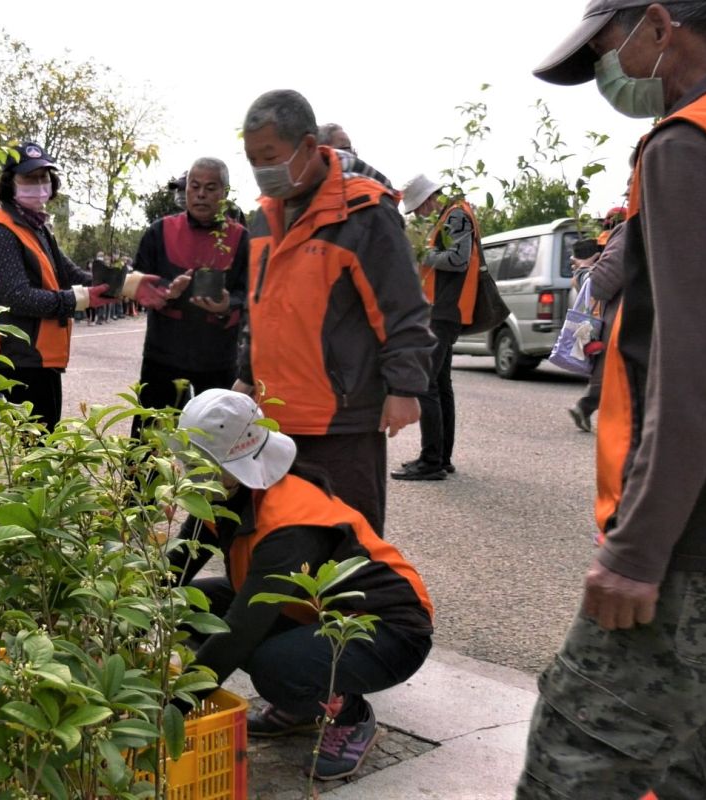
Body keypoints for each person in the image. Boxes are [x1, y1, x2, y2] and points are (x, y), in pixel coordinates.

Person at [519, 2, 706, 797]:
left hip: (703, 542)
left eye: (608, 44)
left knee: (573, 763)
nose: (610, 67)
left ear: (661, 25)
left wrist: (637, 550)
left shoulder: (694, 144)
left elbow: (695, 363)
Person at [173, 388, 433, 781]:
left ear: (227, 464)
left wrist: (173, 710)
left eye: (196, 463)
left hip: (388, 630)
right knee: (191, 604)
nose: (186, 471)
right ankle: (301, 704)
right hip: (315, 612)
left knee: (274, 667)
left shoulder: (288, 524)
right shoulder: (226, 491)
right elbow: (173, 571)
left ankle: (349, 714)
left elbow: (241, 631)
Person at [235, 90, 434, 536]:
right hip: (274, 414)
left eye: (269, 156)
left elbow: (401, 307)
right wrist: (246, 374)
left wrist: (404, 387)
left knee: (347, 543)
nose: (261, 169)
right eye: (252, 159)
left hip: (341, 417)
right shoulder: (264, 217)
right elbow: (259, 304)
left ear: (308, 147)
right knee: (278, 539)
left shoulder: (364, 211)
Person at [0, 142, 168, 429]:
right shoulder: (0, 230)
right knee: (36, 449)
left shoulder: (37, 226)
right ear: (10, 183)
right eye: (29, 178)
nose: (39, 185)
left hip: (42, 359)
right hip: (21, 360)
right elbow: (16, 297)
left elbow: (72, 274)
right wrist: (80, 299)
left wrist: (128, 285)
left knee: (44, 445)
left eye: (44, 178)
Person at [129, 157, 249, 438]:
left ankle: (216, 484)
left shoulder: (241, 238)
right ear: (186, 191)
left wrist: (227, 304)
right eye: (194, 187)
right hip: (164, 353)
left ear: (225, 193)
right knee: (150, 438)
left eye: (210, 188)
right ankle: (141, 482)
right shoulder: (159, 231)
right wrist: (167, 291)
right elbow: (137, 284)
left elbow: (251, 292)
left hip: (219, 357)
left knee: (220, 439)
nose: (201, 194)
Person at [394, 175, 483, 481]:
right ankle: (441, 457)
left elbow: (458, 261)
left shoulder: (456, 213)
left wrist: (419, 255)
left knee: (427, 384)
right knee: (441, 384)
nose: (419, 214)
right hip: (446, 309)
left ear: (429, 199)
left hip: (445, 309)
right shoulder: (451, 214)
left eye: (418, 208)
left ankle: (431, 460)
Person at [568, 213, 628, 432]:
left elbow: (600, 285)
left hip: (625, 328)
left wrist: (583, 270)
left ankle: (585, 406)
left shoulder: (632, 231)